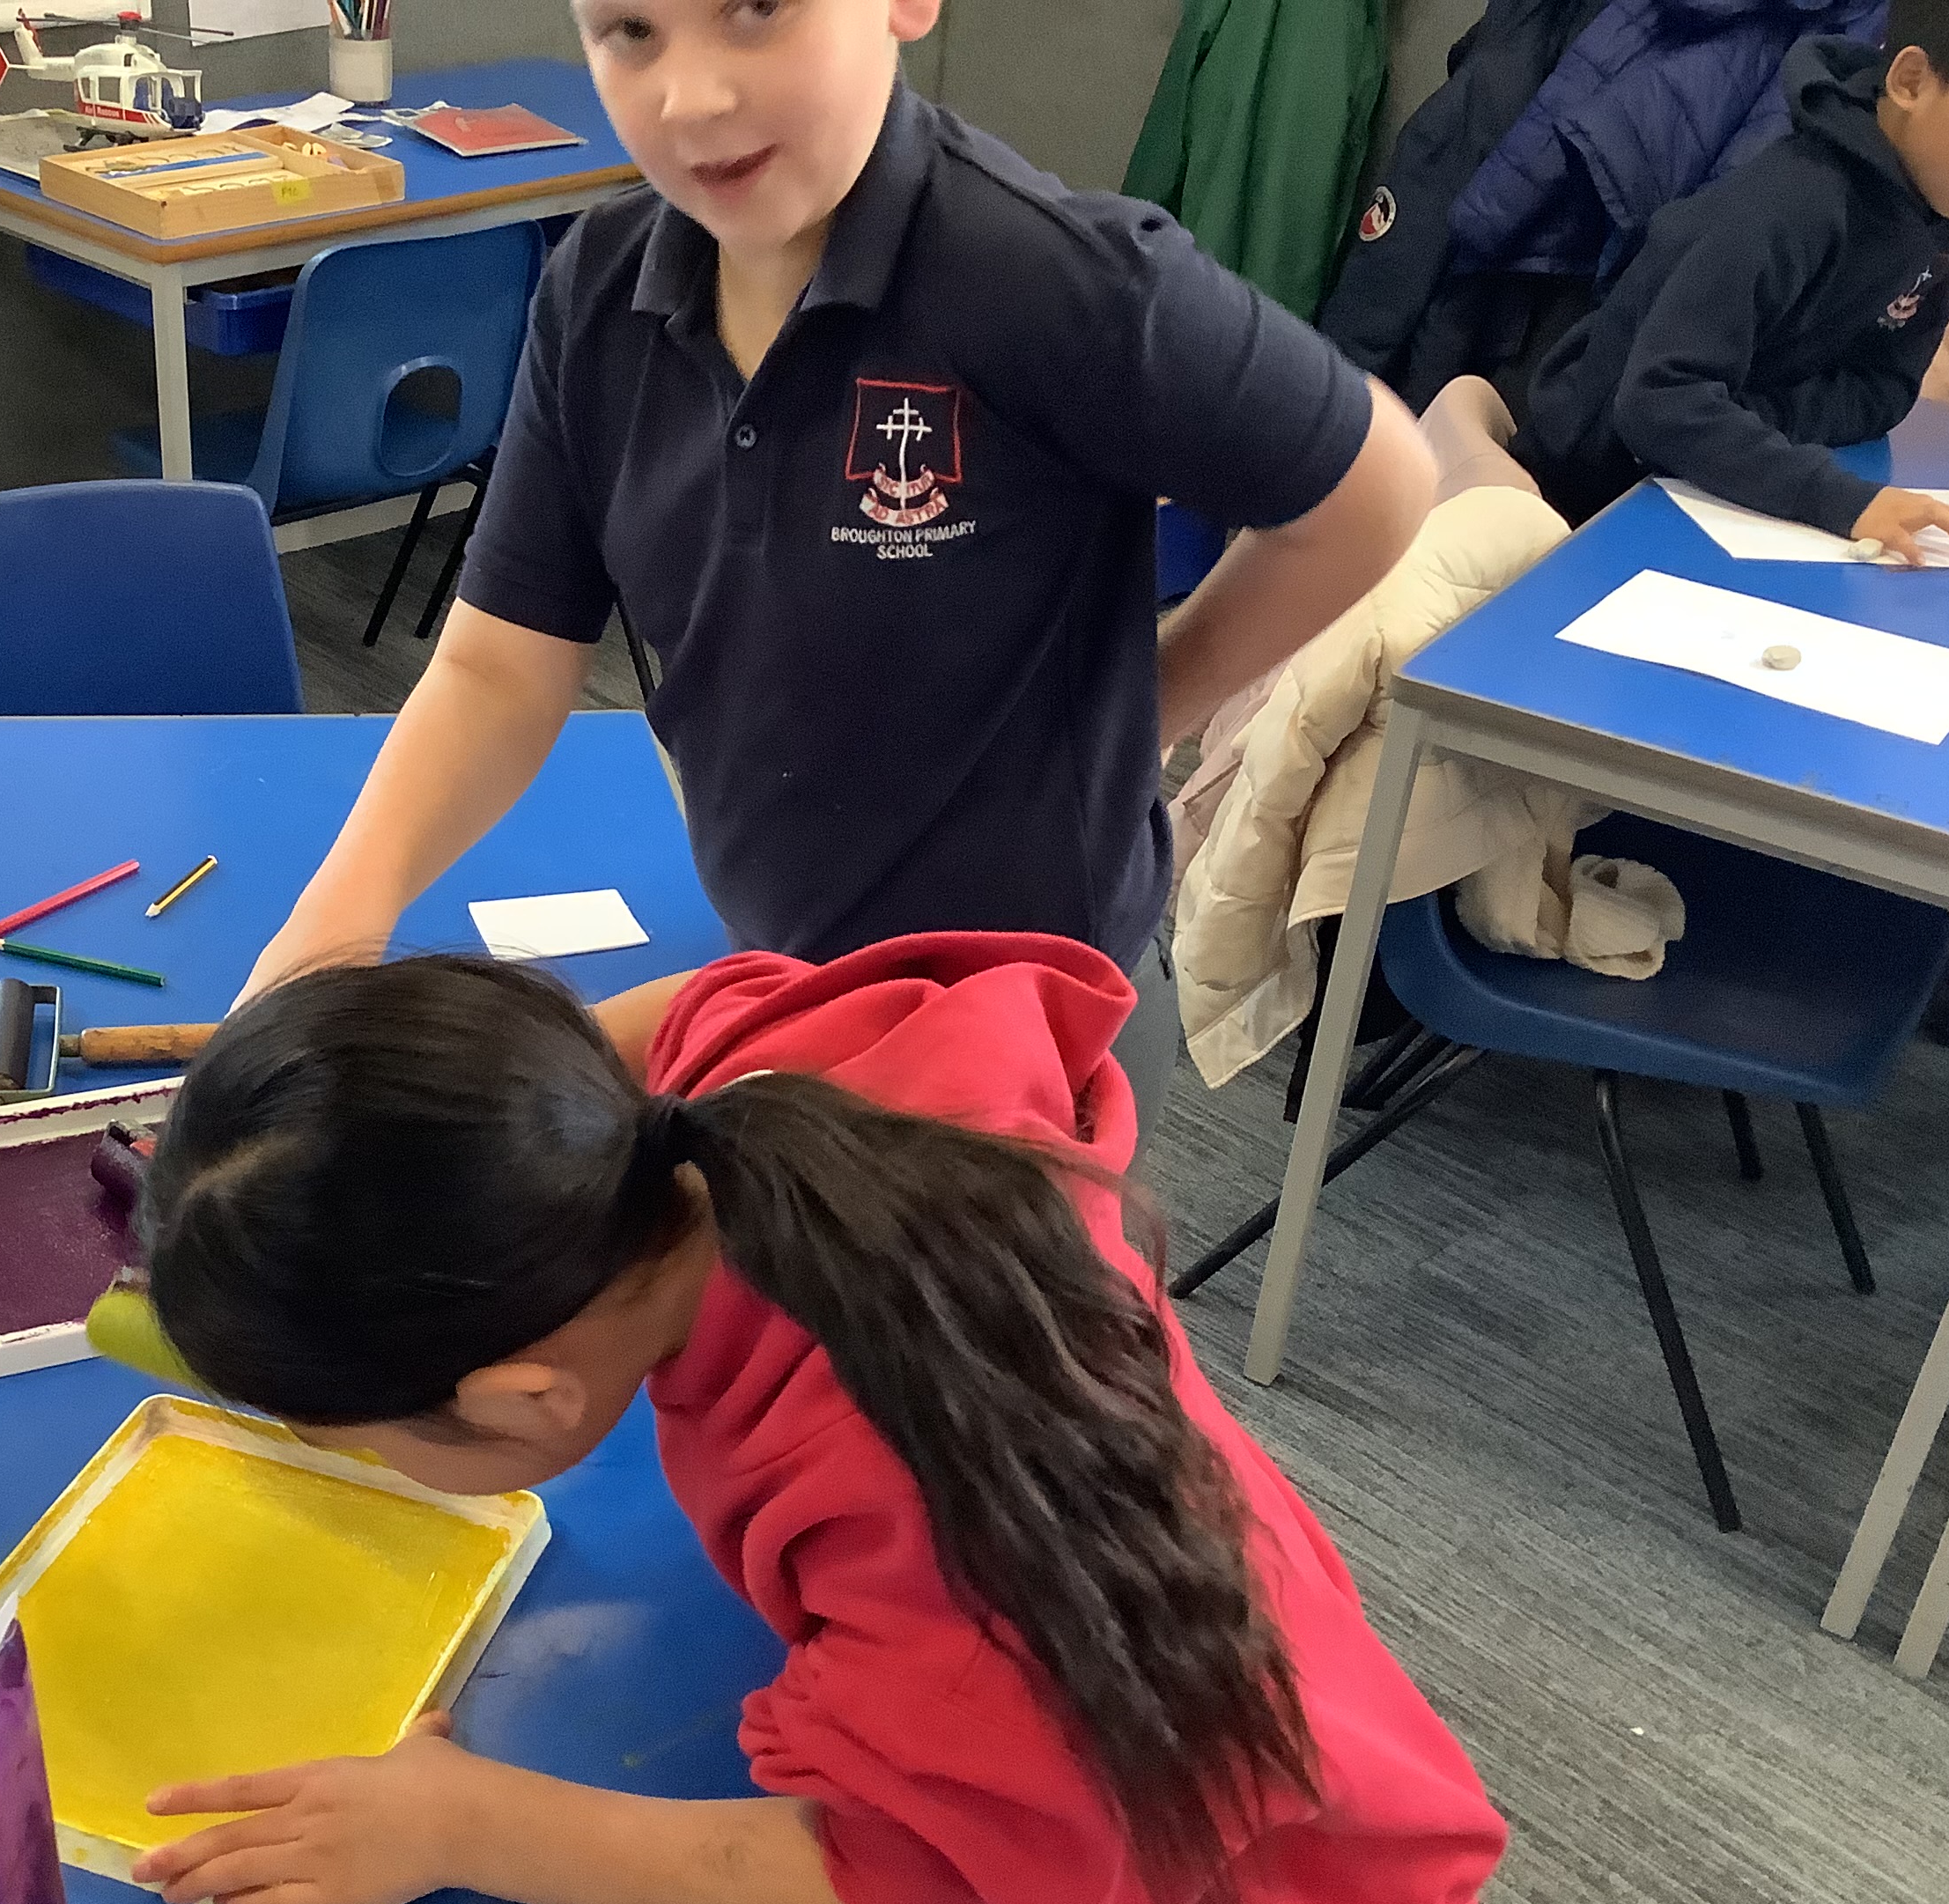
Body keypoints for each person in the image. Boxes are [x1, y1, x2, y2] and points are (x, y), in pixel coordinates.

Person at [132, 934, 1507, 1904]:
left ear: (520, 1399)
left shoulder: (931, 1506)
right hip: (1295, 1731)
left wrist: (466, 1824)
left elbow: (887, 1893)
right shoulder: (746, 1088)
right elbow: (676, 1006)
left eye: (363, 1441)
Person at [240, 0, 1437, 1152]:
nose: (691, 95)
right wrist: (335, 922)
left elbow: (1376, 486)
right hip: (787, 975)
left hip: (1016, 1030)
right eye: (630, 31)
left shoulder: (1054, 277)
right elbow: (500, 668)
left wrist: (1143, 709)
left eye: (758, 7)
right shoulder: (598, 294)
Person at [1509, 0, 1949, 562]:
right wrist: (1836, 498)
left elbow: (1885, 391)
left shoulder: (1946, 209)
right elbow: (1658, 403)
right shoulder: (1785, 206)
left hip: (1715, 485)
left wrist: (1747, 421)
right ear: (1912, 81)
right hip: (1582, 504)